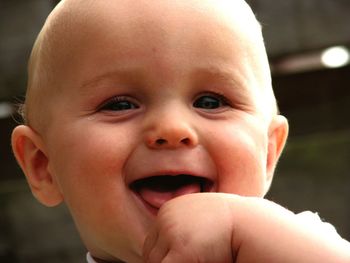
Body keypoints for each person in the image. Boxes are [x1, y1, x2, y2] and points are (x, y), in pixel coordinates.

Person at [11, 0, 350, 262]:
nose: (173, 129)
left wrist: (243, 229)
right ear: (44, 165)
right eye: (120, 105)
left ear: (267, 154)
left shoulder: (300, 247)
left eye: (210, 101)